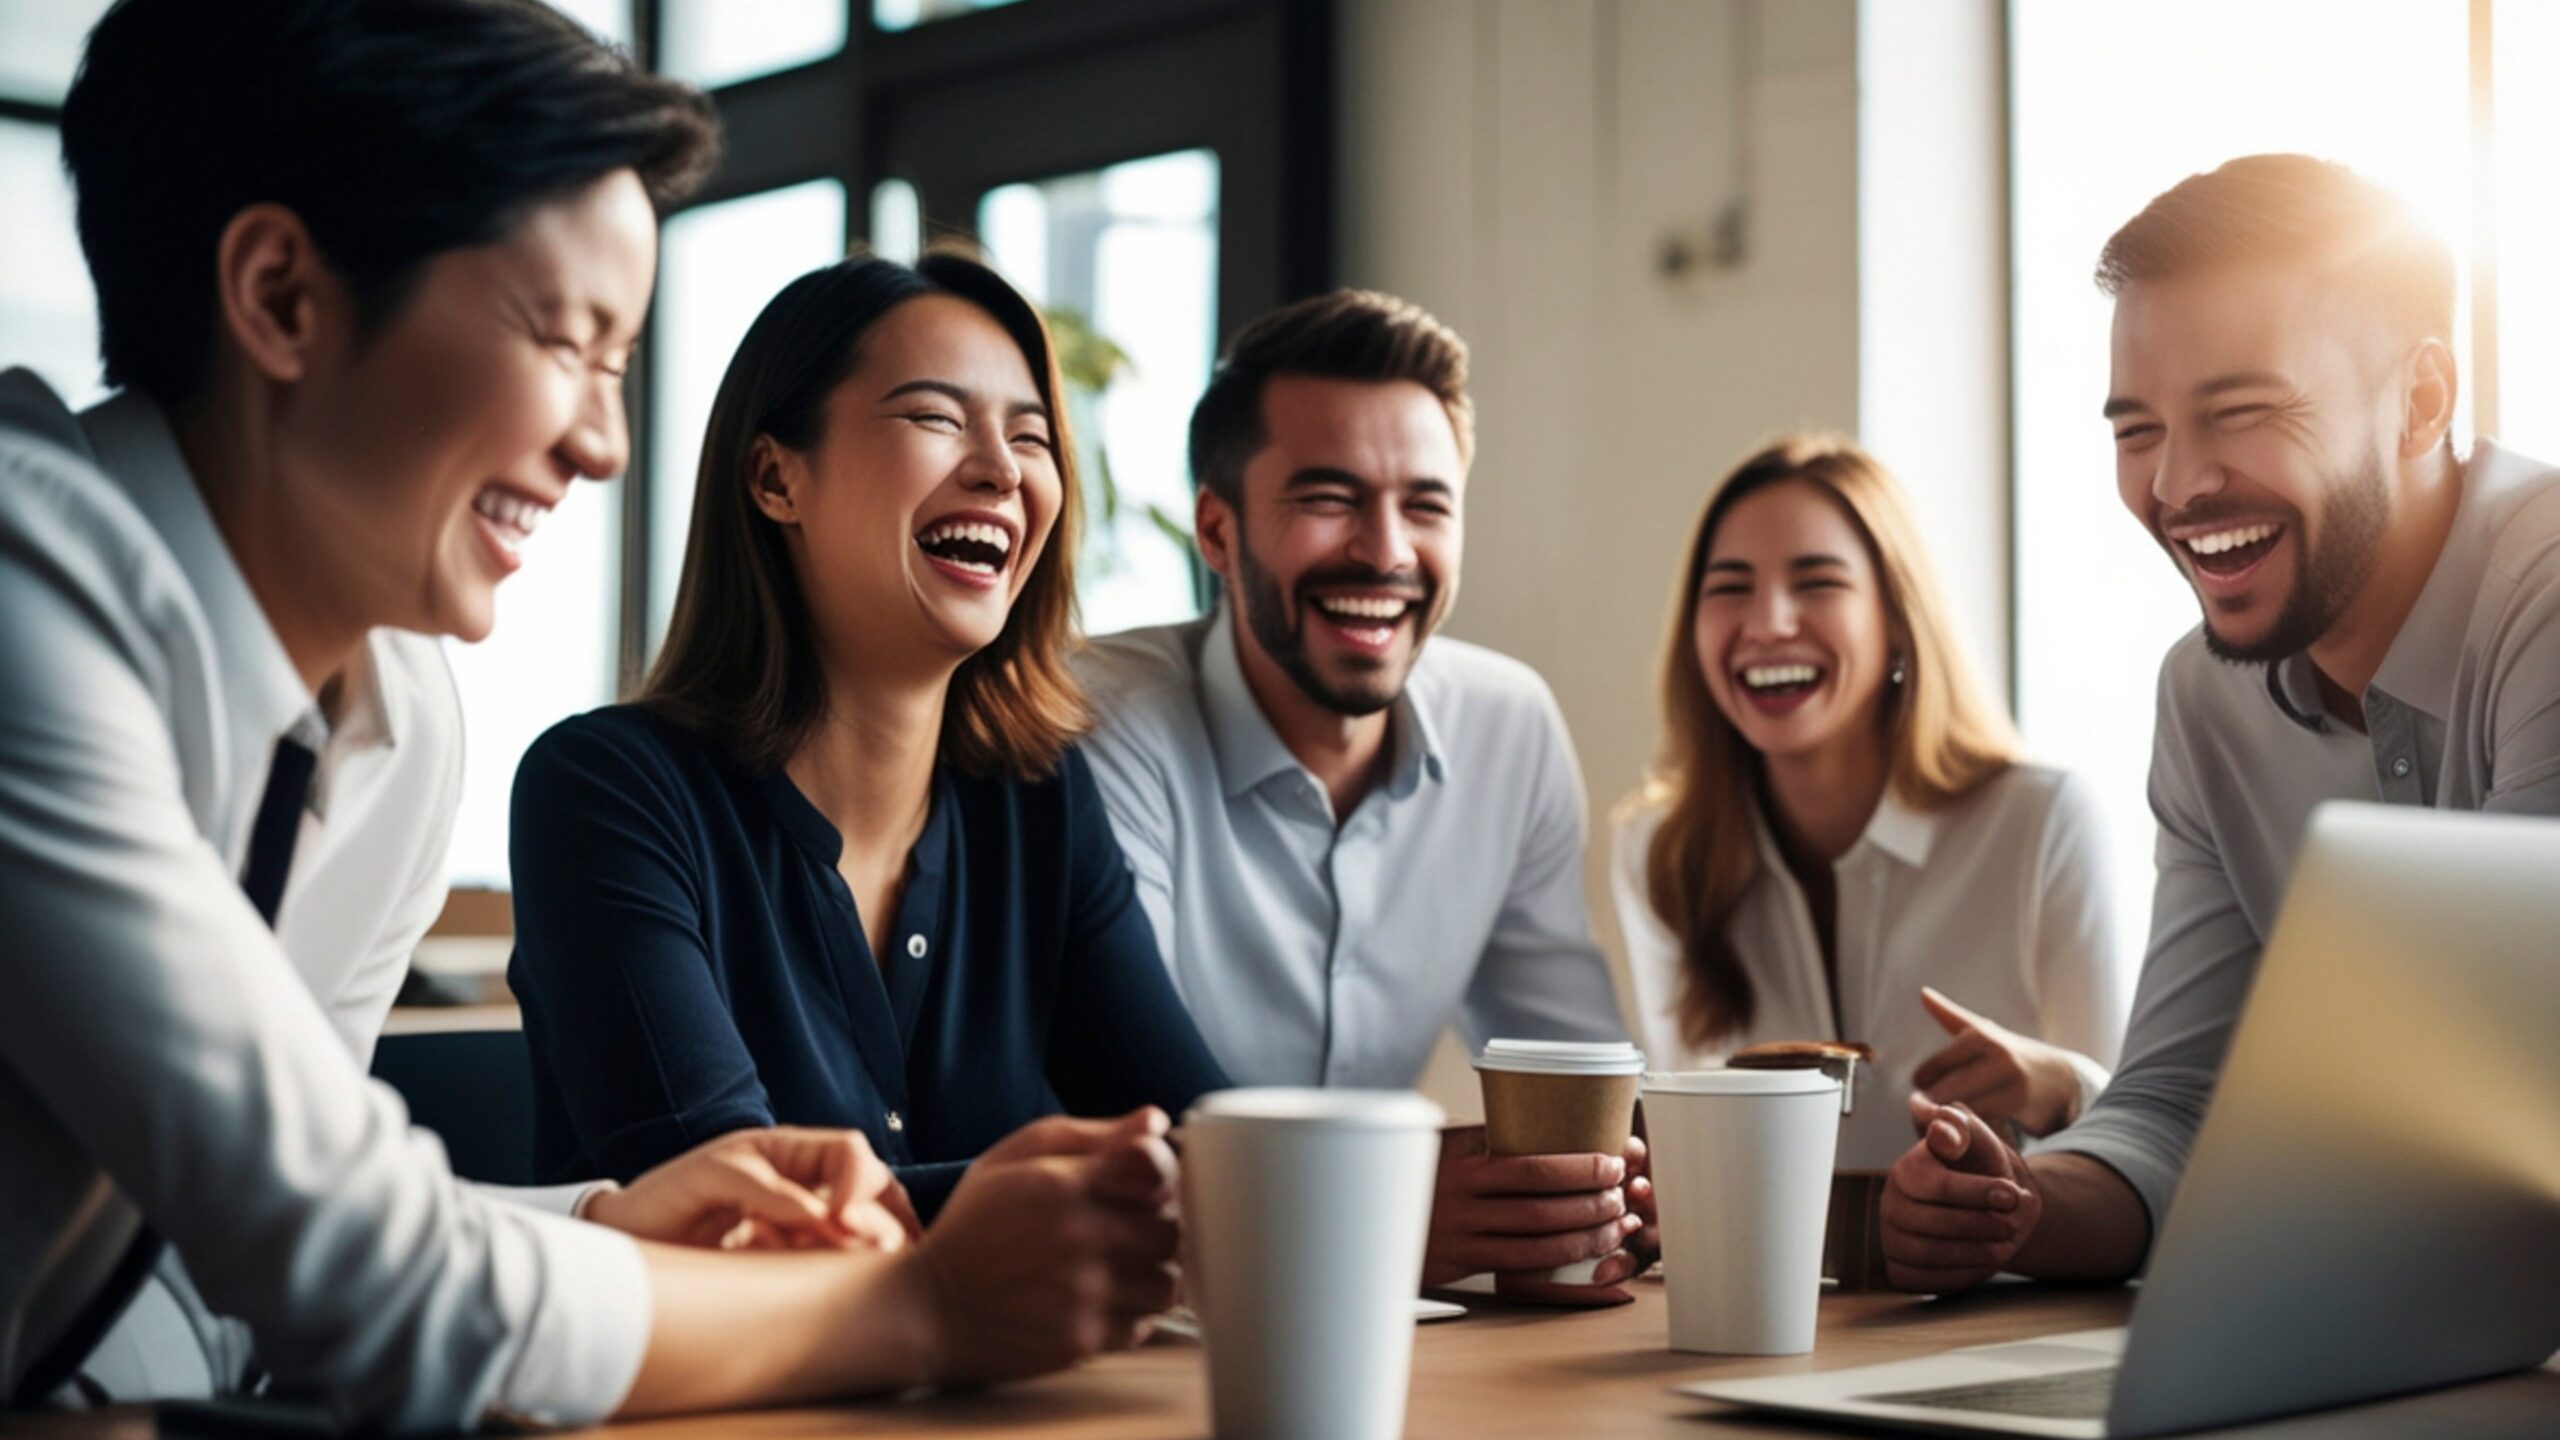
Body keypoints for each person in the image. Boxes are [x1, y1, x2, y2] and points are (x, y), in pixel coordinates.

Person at [0, 1, 1176, 1428]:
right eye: (563, 339)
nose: (604, 444)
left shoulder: (397, 727)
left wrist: (606, 1219)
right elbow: (369, 1278)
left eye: (621, 365)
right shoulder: (26, 609)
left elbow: (267, 1242)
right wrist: (918, 1300)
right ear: (282, 297)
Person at [1879, 153, 2560, 1294]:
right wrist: (2019, 1203)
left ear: (2421, 400)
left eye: (2240, 412)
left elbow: (2513, 1079)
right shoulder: (2204, 699)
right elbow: (2173, 1106)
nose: (2179, 484)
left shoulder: (2540, 594)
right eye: (2136, 429)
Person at [507, 252, 1232, 1221]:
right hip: (734, 1375)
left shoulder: (1039, 793)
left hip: (1015, 1377)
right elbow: (737, 1212)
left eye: (1030, 436)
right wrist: (1126, 1190)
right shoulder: (605, 790)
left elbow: (1200, 1139)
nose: (1000, 469)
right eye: (935, 418)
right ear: (774, 479)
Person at [1074, 290, 1651, 1297]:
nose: (1386, 552)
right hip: (1141, 1305)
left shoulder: (1506, 724)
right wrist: (1370, 1217)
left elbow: (1574, 1078)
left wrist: (1609, 1197)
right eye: (1329, 499)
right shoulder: (1099, 721)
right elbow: (1128, 1111)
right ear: (1216, 530)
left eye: (1425, 505)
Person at [1611, 434, 2125, 1169]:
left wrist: (2063, 1089)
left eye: (1816, 582)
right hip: (1763, 1285)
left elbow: (2139, 1139)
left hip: (2010, 1283)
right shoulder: (1660, 850)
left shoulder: (2041, 824)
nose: (1767, 624)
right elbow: (1691, 1147)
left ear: (1896, 622)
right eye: (1729, 588)